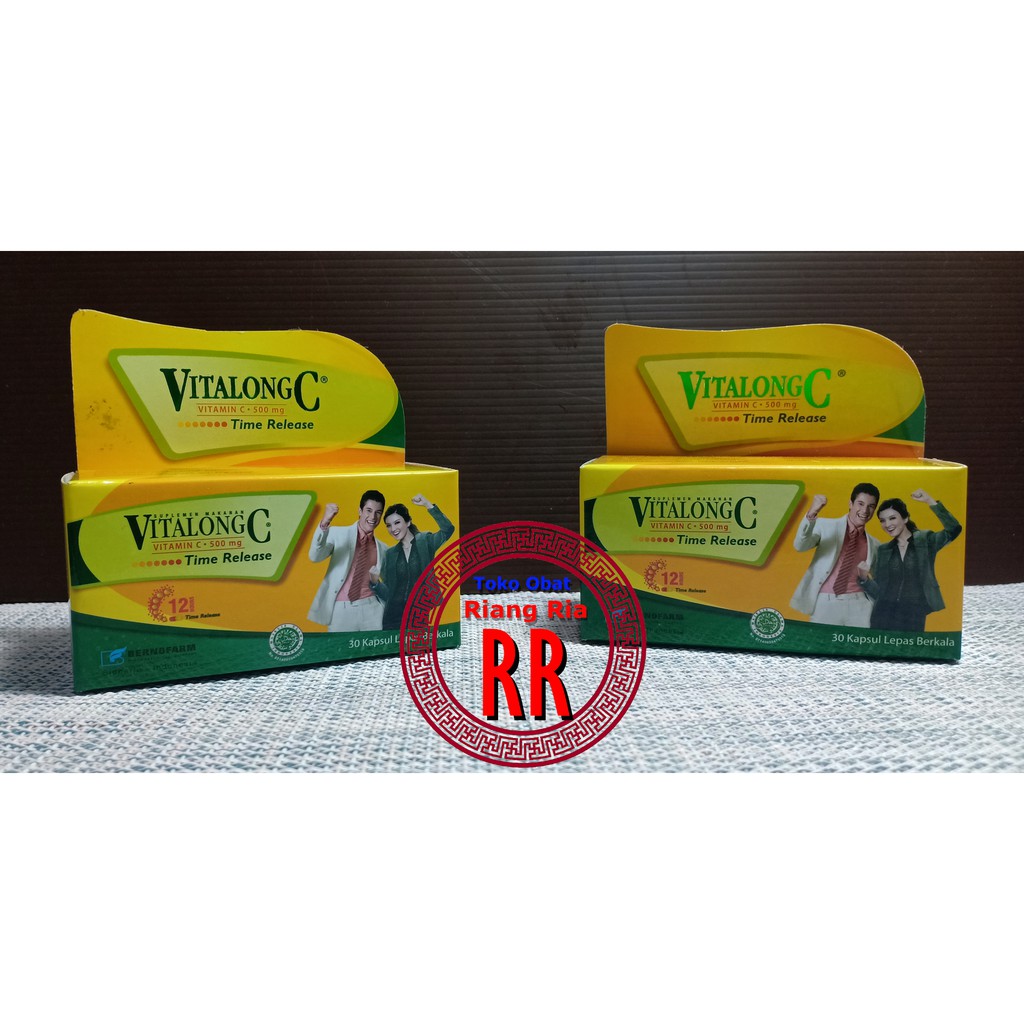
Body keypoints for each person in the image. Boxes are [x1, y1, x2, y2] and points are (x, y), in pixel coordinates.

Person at [857, 489, 962, 632]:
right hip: (882, 615)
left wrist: (929, 501)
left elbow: (954, 529)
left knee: (910, 646)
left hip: (914, 615)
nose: (887, 524)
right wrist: (864, 579)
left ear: (905, 518)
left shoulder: (925, 540)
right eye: (883, 520)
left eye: (892, 518)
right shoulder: (883, 550)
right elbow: (879, 592)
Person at [790, 482, 881, 628]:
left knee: (860, 643)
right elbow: (800, 546)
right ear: (850, 503)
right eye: (860, 503)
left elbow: (881, 582)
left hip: (860, 605)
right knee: (820, 641)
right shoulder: (825, 526)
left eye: (871, 506)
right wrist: (812, 513)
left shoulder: (875, 544)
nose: (865, 510)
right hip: (825, 603)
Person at [370, 494, 455, 630]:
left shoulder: (425, 541)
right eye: (389, 525)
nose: (393, 529)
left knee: (417, 642)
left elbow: (448, 529)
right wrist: (375, 583)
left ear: (408, 522)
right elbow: (388, 594)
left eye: (397, 522)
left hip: (419, 612)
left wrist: (428, 505)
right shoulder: (390, 554)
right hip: (392, 616)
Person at [307, 489, 388, 632]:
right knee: (339, 646)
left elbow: (390, 585)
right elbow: (315, 556)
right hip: (341, 610)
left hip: (373, 610)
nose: (373, 517)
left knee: (376, 647)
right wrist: (325, 523)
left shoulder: (383, 548)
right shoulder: (338, 533)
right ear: (360, 511)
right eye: (368, 510)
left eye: (378, 512)